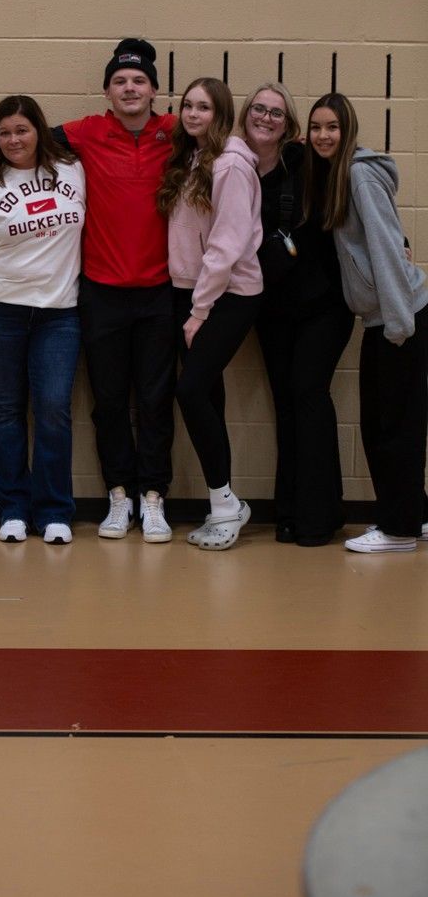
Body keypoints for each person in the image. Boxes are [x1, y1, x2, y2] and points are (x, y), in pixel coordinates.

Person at [0, 38, 178, 543]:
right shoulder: (85, 136)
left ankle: (97, 505)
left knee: (73, 408)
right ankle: (28, 506)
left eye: (138, 80)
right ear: (106, 91)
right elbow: (10, 145)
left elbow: (227, 138)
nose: (129, 88)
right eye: (119, 81)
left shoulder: (170, 134)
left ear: (155, 90)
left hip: (85, 307)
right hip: (28, 308)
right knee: (21, 411)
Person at [0, 95, 85, 544]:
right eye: (4, 132)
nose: (13, 140)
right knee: (7, 412)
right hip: (0, 312)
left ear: (39, 132)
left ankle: (54, 512)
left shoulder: (72, 170)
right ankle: (12, 508)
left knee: (53, 411)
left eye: (22, 130)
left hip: (59, 314)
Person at [302, 92, 428, 554]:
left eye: (332, 127)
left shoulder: (357, 174)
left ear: (348, 129)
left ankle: (398, 531)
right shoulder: (341, 172)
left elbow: (386, 249)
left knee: (390, 428)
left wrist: (396, 323)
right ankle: (415, 514)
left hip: (398, 317)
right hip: (387, 316)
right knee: (393, 422)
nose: (323, 136)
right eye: (316, 127)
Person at [240, 82, 354, 547]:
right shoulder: (237, 168)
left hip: (324, 306)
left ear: (288, 126)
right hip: (272, 310)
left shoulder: (304, 159)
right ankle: (289, 514)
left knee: (309, 398)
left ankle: (318, 518)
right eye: (259, 110)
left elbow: (354, 169)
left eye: (277, 114)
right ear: (246, 117)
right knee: (287, 407)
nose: (266, 119)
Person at [158, 78, 263, 550]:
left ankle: (225, 504)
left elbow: (226, 245)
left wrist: (200, 310)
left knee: (192, 390)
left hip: (229, 295)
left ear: (221, 113)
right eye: (187, 105)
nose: (193, 113)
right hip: (190, 291)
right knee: (208, 396)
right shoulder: (194, 158)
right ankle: (224, 503)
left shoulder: (231, 164)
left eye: (204, 107)